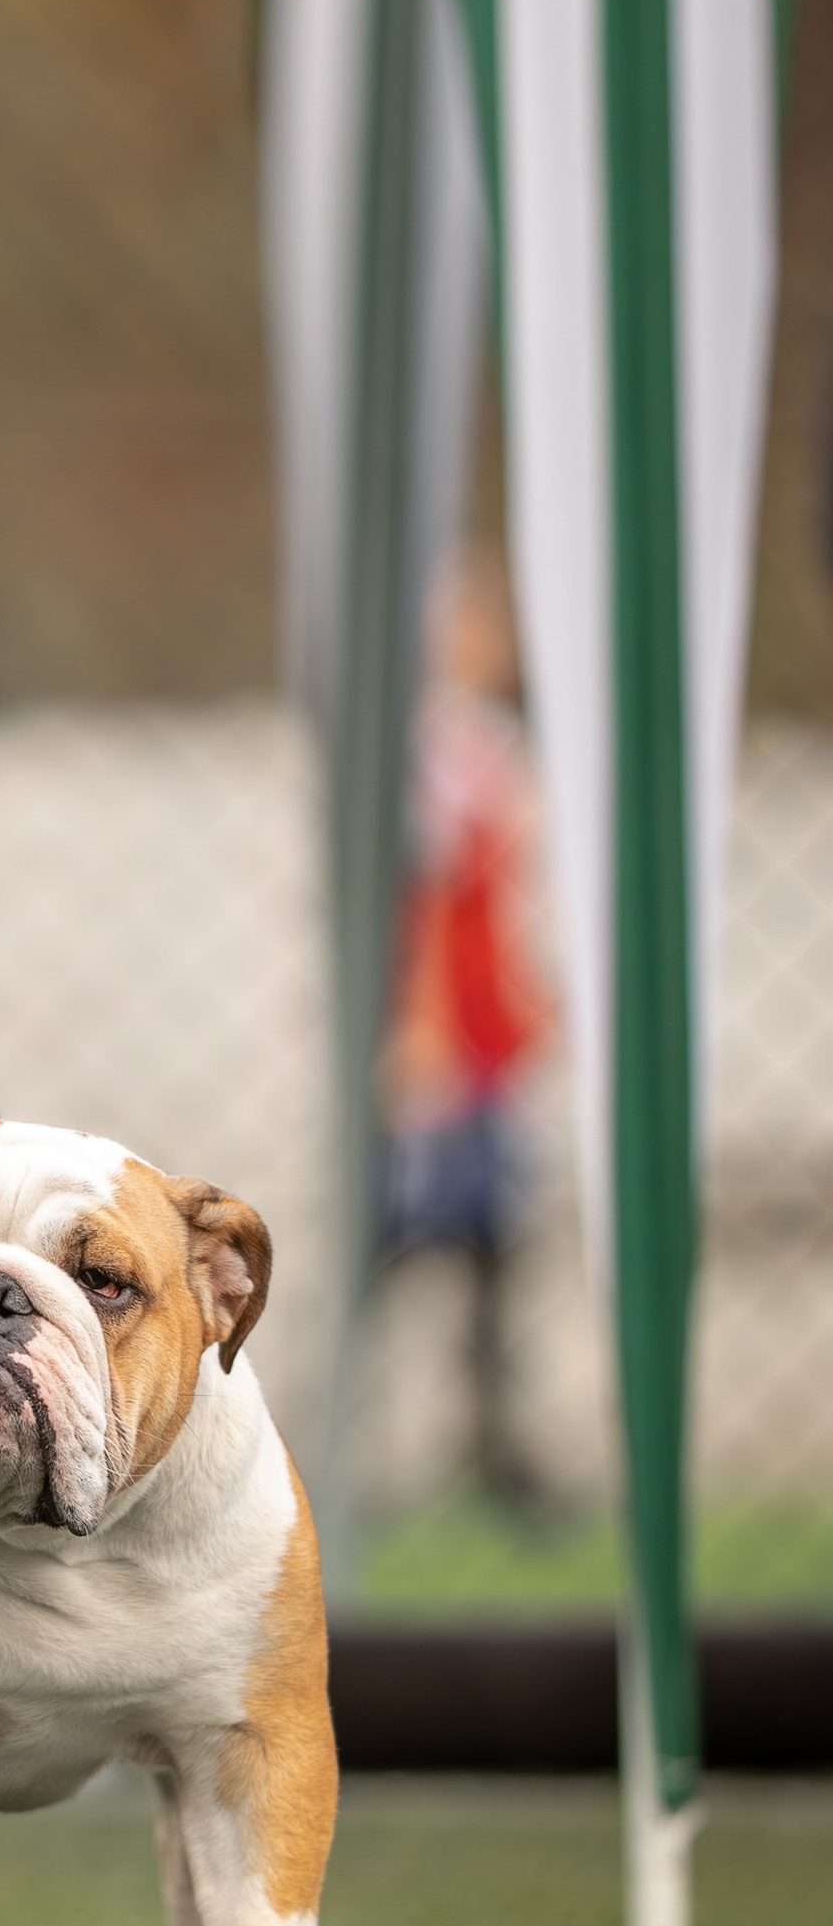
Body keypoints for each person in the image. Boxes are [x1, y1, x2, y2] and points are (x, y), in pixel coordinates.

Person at [378, 556, 551, 1510]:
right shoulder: (433, 752)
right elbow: (426, 901)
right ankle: (353, 1438)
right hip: (445, 1051)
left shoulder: (489, 743)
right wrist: (421, 1027)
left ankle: (492, 1448)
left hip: (490, 1045)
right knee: (409, 1234)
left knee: (491, 1247)